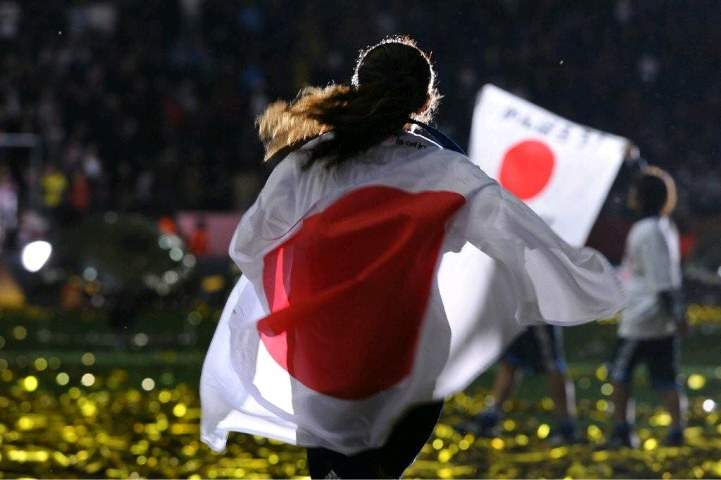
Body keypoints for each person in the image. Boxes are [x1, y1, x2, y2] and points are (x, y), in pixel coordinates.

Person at [200, 36, 625, 479]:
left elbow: (251, 244)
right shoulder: (448, 171)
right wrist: (598, 284)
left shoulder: (314, 160)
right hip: (404, 358)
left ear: (360, 88)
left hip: (323, 361)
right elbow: (524, 242)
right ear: (425, 101)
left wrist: (306, 303)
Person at [605, 166, 687, 448]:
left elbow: (661, 280)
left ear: (641, 197)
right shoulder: (665, 226)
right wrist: (677, 315)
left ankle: (623, 431)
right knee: (666, 378)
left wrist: (676, 315)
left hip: (643, 317)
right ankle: (677, 431)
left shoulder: (647, 230)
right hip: (661, 318)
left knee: (619, 373)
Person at [466, 325, 582, 445]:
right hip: (516, 315)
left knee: (551, 362)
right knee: (510, 360)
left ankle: (567, 427)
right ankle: (492, 416)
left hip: (536, 316)